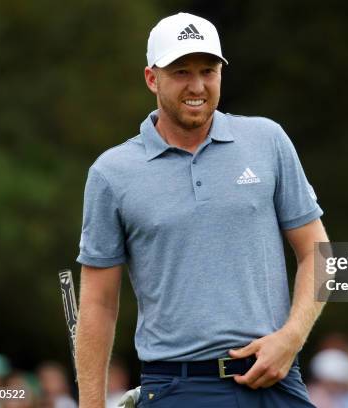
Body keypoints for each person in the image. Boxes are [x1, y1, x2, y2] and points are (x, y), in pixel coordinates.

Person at [75, 11, 329, 408]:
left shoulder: (268, 140)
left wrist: (291, 338)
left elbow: (318, 252)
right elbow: (98, 303)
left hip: (275, 381)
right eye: (181, 72)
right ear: (152, 78)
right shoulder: (112, 173)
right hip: (177, 386)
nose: (197, 86)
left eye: (208, 71)